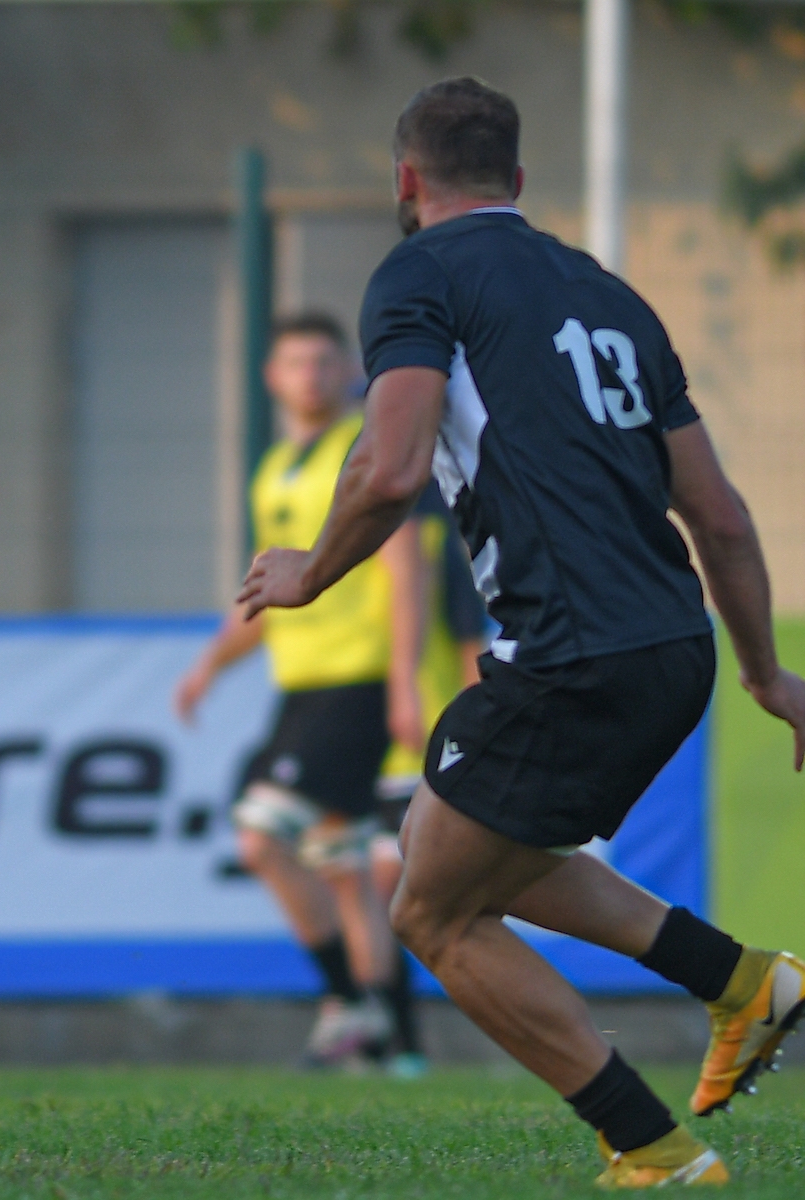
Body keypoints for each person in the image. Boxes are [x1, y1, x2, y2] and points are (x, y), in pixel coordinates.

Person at [240, 76, 805, 1186]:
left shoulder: (420, 273)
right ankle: (745, 982)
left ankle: (650, 1146)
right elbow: (722, 517)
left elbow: (391, 464)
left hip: (567, 655)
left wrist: (309, 570)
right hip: (673, 647)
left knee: (432, 910)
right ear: (521, 181)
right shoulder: (610, 296)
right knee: (488, 854)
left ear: (406, 181)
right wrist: (767, 671)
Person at [175, 313, 425, 1071]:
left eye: (324, 362)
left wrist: (408, 683)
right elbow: (270, 590)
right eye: (295, 363)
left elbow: (405, 568)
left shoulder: (364, 451)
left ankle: (349, 1004)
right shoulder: (278, 464)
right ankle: (397, 1047)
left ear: (348, 369)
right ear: (272, 377)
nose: (311, 376)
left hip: (358, 679)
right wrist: (211, 664)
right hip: (301, 684)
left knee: (259, 835)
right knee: (347, 870)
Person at [367, 486, 488, 1075]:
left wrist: (473, 733)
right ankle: (391, 1038)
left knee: (411, 890)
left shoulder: (438, 533)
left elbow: (471, 640)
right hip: (357, 731)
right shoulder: (342, 521)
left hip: (417, 737)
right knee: (374, 887)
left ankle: (405, 1039)